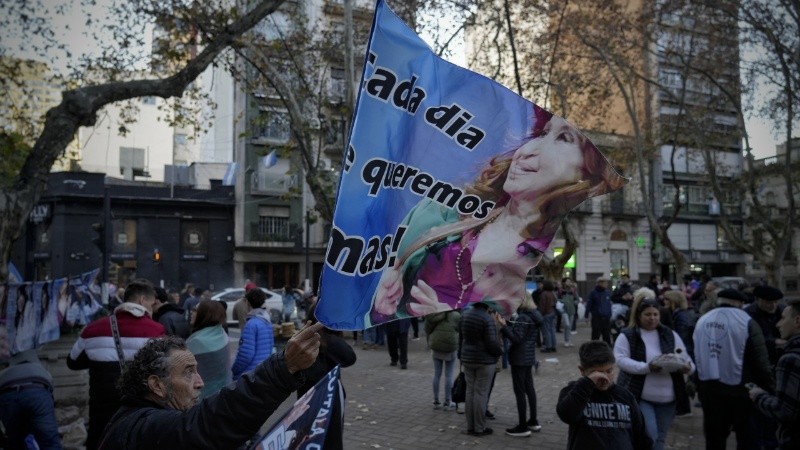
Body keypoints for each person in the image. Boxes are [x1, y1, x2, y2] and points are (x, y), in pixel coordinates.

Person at [370, 114, 626, 323]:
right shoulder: (443, 209)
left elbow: (508, 334)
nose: (528, 150)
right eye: (542, 133)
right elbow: (377, 278)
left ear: (583, 178)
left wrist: (450, 315)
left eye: (563, 139)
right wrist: (380, 302)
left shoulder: (528, 262)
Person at [97, 323, 324, 449]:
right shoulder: (144, 428)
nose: (200, 382)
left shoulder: (138, 417)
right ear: (157, 385)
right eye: (188, 373)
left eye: (197, 370)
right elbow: (208, 424)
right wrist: (283, 368)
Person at [67, 280, 165, 450]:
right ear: (142, 301)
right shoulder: (156, 331)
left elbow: (73, 362)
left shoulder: (92, 330)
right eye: (151, 304)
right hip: (139, 407)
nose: (152, 309)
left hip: (101, 407)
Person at [693, 288, 774, 450]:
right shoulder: (747, 321)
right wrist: (771, 386)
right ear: (740, 303)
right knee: (747, 438)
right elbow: (760, 360)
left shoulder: (702, 320)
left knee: (715, 438)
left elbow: (697, 355)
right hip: (742, 390)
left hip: (710, 389)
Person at [614, 296, 694, 450]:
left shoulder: (670, 334)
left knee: (661, 437)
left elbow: (686, 359)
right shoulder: (628, 335)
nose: (652, 318)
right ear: (639, 315)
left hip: (669, 398)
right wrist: (647, 367)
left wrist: (687, 368)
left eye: (655, 314)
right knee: (650, 435)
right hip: (642, 396)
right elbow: (621, 360)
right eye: (648, 314)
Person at [557, 340, 652, 450]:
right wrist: (588, 383)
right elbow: (567, 415)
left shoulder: (625, 396)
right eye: (597, 373)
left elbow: (640, 433)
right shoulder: (574, 391)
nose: (605, 378)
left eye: (609, 371)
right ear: (582, 370)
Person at [295, 301, 356, 450]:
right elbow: (350, 358)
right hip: (327, 403)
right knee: (330, 441)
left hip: (307, 403)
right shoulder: (328, 342)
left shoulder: (301, 340)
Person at [749, 298, 800, 449]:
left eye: (783, 318)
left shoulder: (791, 359)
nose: (778, 324)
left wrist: (759, 396)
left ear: (797, 321)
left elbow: (784, 411)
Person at [500, 293, 544, 436]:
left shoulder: (524, 317)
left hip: (519, 358)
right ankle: (533, 421)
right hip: (528, 356)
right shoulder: (534, 315)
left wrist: (503, 327)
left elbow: (517, 338)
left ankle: (522, 426)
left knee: (520, 392)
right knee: (529, 389)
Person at [0, 349, 62, 450]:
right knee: (50, 443)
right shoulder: (41, 369)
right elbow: (49, 401)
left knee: (15, 443)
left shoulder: (4, 372)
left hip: (8, 395)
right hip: (37, 392)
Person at [459, 302, 504, 436]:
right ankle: (479, 428)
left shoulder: (465, 315)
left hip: (467, 358)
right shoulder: (487, 319)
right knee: (480, 394)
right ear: (487, 304)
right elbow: (491, 342)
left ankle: (470, 427)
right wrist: (500, 352)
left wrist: (460, 354)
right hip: (484, 361)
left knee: (470, 392)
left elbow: (461, 338)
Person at [186, 300, 231, 400]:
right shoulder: (220, 332)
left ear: (204, 315)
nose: (191, 312)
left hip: (203, 397)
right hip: (223, 393)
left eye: (194, 310)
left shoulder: (196, 341)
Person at [232, 288, 274, 381]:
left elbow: (245, 355)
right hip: (263, 371)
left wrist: (234, 370)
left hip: (249, 375)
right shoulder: (267, 321)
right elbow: (271, 347)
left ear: (248, 303)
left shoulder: (251, 324)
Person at [425, 309, 461, 411]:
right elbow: (459, 330)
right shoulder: (456, 315)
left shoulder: (432, 314)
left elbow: (427, 330)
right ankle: (447, 401)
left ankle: (436, 400)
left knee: (437, 374)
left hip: (436, 345)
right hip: (450, 347)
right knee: (449, 375)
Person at [745, 285, 785, 367]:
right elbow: (748, 338)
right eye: (768, 302)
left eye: (776, 302)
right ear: (757, 300)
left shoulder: (784, 310)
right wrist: (773, 341)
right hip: (759, 357)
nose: (773, 306)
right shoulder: (747, 314)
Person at [586, 277, 612, 345]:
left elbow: (609, 304)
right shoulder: (593, 293)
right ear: (600, 283)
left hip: (606, 318)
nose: (607, 284)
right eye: (605, 283)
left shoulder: (607, 292)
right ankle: (593, 350)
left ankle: (607, 351)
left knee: (607, 336)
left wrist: (609, 314)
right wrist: (587, 315)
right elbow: (589, 304)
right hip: (597, 318)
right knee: (595, 336)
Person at [13, 284, 36, 352]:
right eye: (17, 298)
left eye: (20, 296)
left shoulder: (30, 309)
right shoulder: (20, 316)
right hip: (18, 353)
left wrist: (26, 315)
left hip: (27, 352)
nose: (18, 301)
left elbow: (31, 335)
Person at [538, 280, 557, 353]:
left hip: (546, 314)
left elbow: (542, 305)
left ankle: (548, 346)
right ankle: (553, 346)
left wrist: (541, 314)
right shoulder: (552, 293)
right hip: (552, 312)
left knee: (547, 331)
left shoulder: (544, 294)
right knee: (552, 330)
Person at [560, 279, 578, 347]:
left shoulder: (573, 290)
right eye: (567, 281)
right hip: (564, 310)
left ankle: (568, 340)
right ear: (564, 283)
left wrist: (574, 303)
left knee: (569, 327)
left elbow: (577, 299)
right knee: (567, 325)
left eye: (570, 281)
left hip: (572, 310)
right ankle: (566, 340)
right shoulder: (561, 290)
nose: (568, 282)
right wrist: (563, 301)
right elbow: (557, 298)